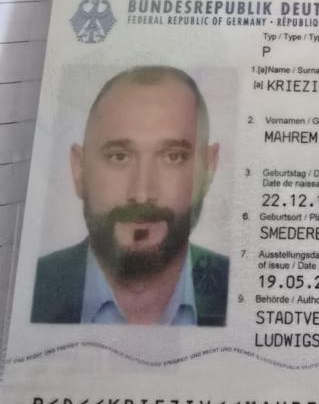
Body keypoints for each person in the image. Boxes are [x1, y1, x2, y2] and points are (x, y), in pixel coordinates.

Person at [31, 65, 229, 325]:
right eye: (119, 157)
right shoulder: (31, 290)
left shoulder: (236, 289)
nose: (142, 194)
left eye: (173, 157)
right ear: (79, 170)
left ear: (209, 169)